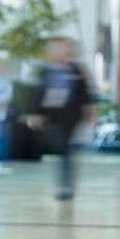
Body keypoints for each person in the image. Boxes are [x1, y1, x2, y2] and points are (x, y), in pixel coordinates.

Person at [35, 37, 91, 200]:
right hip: (50, 115)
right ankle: (64, 181)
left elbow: (84, 94)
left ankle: (66, 184)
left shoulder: (76, 70)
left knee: (65, 148)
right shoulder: (45, 70)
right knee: (59, 148)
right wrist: (35, 113)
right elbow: (37, 93)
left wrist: (89, 112)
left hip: (70, 115)